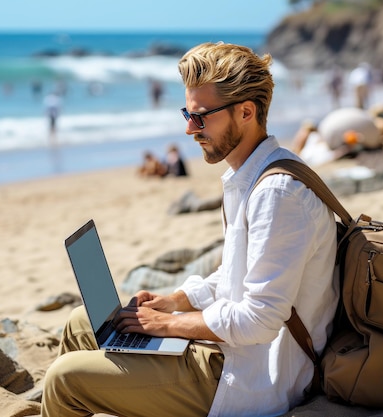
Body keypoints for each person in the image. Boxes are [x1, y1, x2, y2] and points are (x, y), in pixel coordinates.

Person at [42, 42, 338, 417]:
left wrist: (168, 323)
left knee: (64, 379)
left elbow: (260, 319)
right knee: (82, 322)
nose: (188, 128)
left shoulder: (277, 194)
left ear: (246, 112)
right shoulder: (249, 176)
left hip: (255, 377)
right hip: (233, 352)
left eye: (200, 117)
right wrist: (176, 301)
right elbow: (235, 276)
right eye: (187, 112)